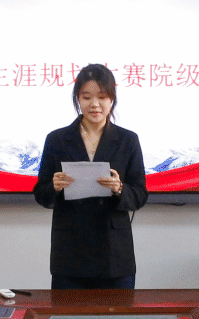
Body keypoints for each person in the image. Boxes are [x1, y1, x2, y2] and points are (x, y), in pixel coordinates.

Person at [32, 63, 149, 290]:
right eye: (86, 97)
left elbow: (140, 195)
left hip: (114, 253)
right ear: (77, 98)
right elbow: (41, 193)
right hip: (70, 252)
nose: (94, 104)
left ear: (112, 99)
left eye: (102, 97)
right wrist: (54, 187)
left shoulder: (128, 140)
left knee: (118, 315)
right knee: (67, 314)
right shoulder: (57, 139)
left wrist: (120, 188)